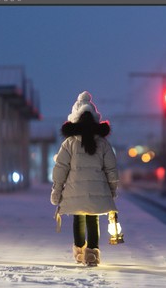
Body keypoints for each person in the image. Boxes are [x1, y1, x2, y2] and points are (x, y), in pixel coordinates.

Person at [50, 91, 119, 266]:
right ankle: (92, 254)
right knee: (92, 218)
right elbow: (111, 169)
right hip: (97, 189)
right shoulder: (103, 143)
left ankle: (80, 252)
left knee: (78, 217)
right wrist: (112, 190)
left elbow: (60, 169)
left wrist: (57, 191)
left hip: (75, 190)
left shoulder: (69, 143)